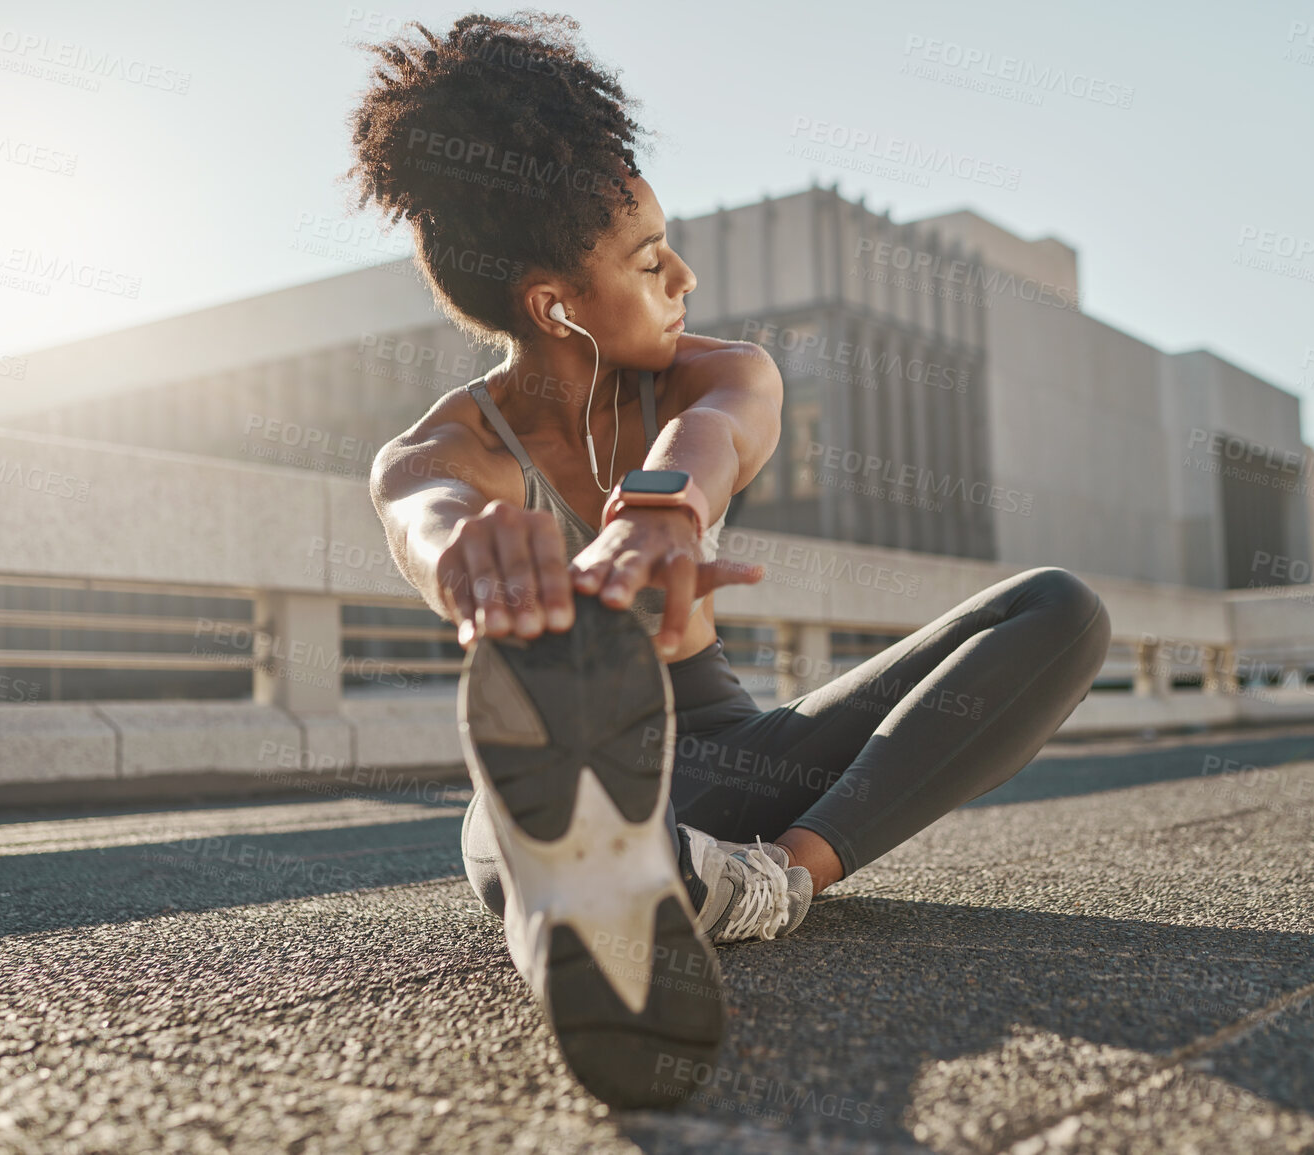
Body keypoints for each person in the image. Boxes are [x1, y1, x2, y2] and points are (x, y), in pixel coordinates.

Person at [352, 13, 1112, 1110]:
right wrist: (466, 555)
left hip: (742, 763)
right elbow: (420, 513)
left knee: (1058, 609)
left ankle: (766, 882)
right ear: (556, 306)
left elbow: (709, 439)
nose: (684, 277)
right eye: (650, 260)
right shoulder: (440, 450)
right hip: (573, 797)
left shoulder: (717, 375)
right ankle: (619, 893)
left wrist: (665, 510)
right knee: (514, 831)